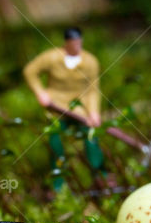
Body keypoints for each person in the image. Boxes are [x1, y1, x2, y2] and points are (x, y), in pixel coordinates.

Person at [23, 27, 107, 191]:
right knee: (55, 143)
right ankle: (58, 182)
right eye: (72, 43)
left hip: (80, 108)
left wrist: (94, 112)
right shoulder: (52, 57)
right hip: (56, 106)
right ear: (66, 43)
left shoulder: (90, 61)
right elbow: (30, 71)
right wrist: (40, 92)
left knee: (91, 138)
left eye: (78, 42)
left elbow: (93, 90)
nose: (76, 46)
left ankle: (99, 176)